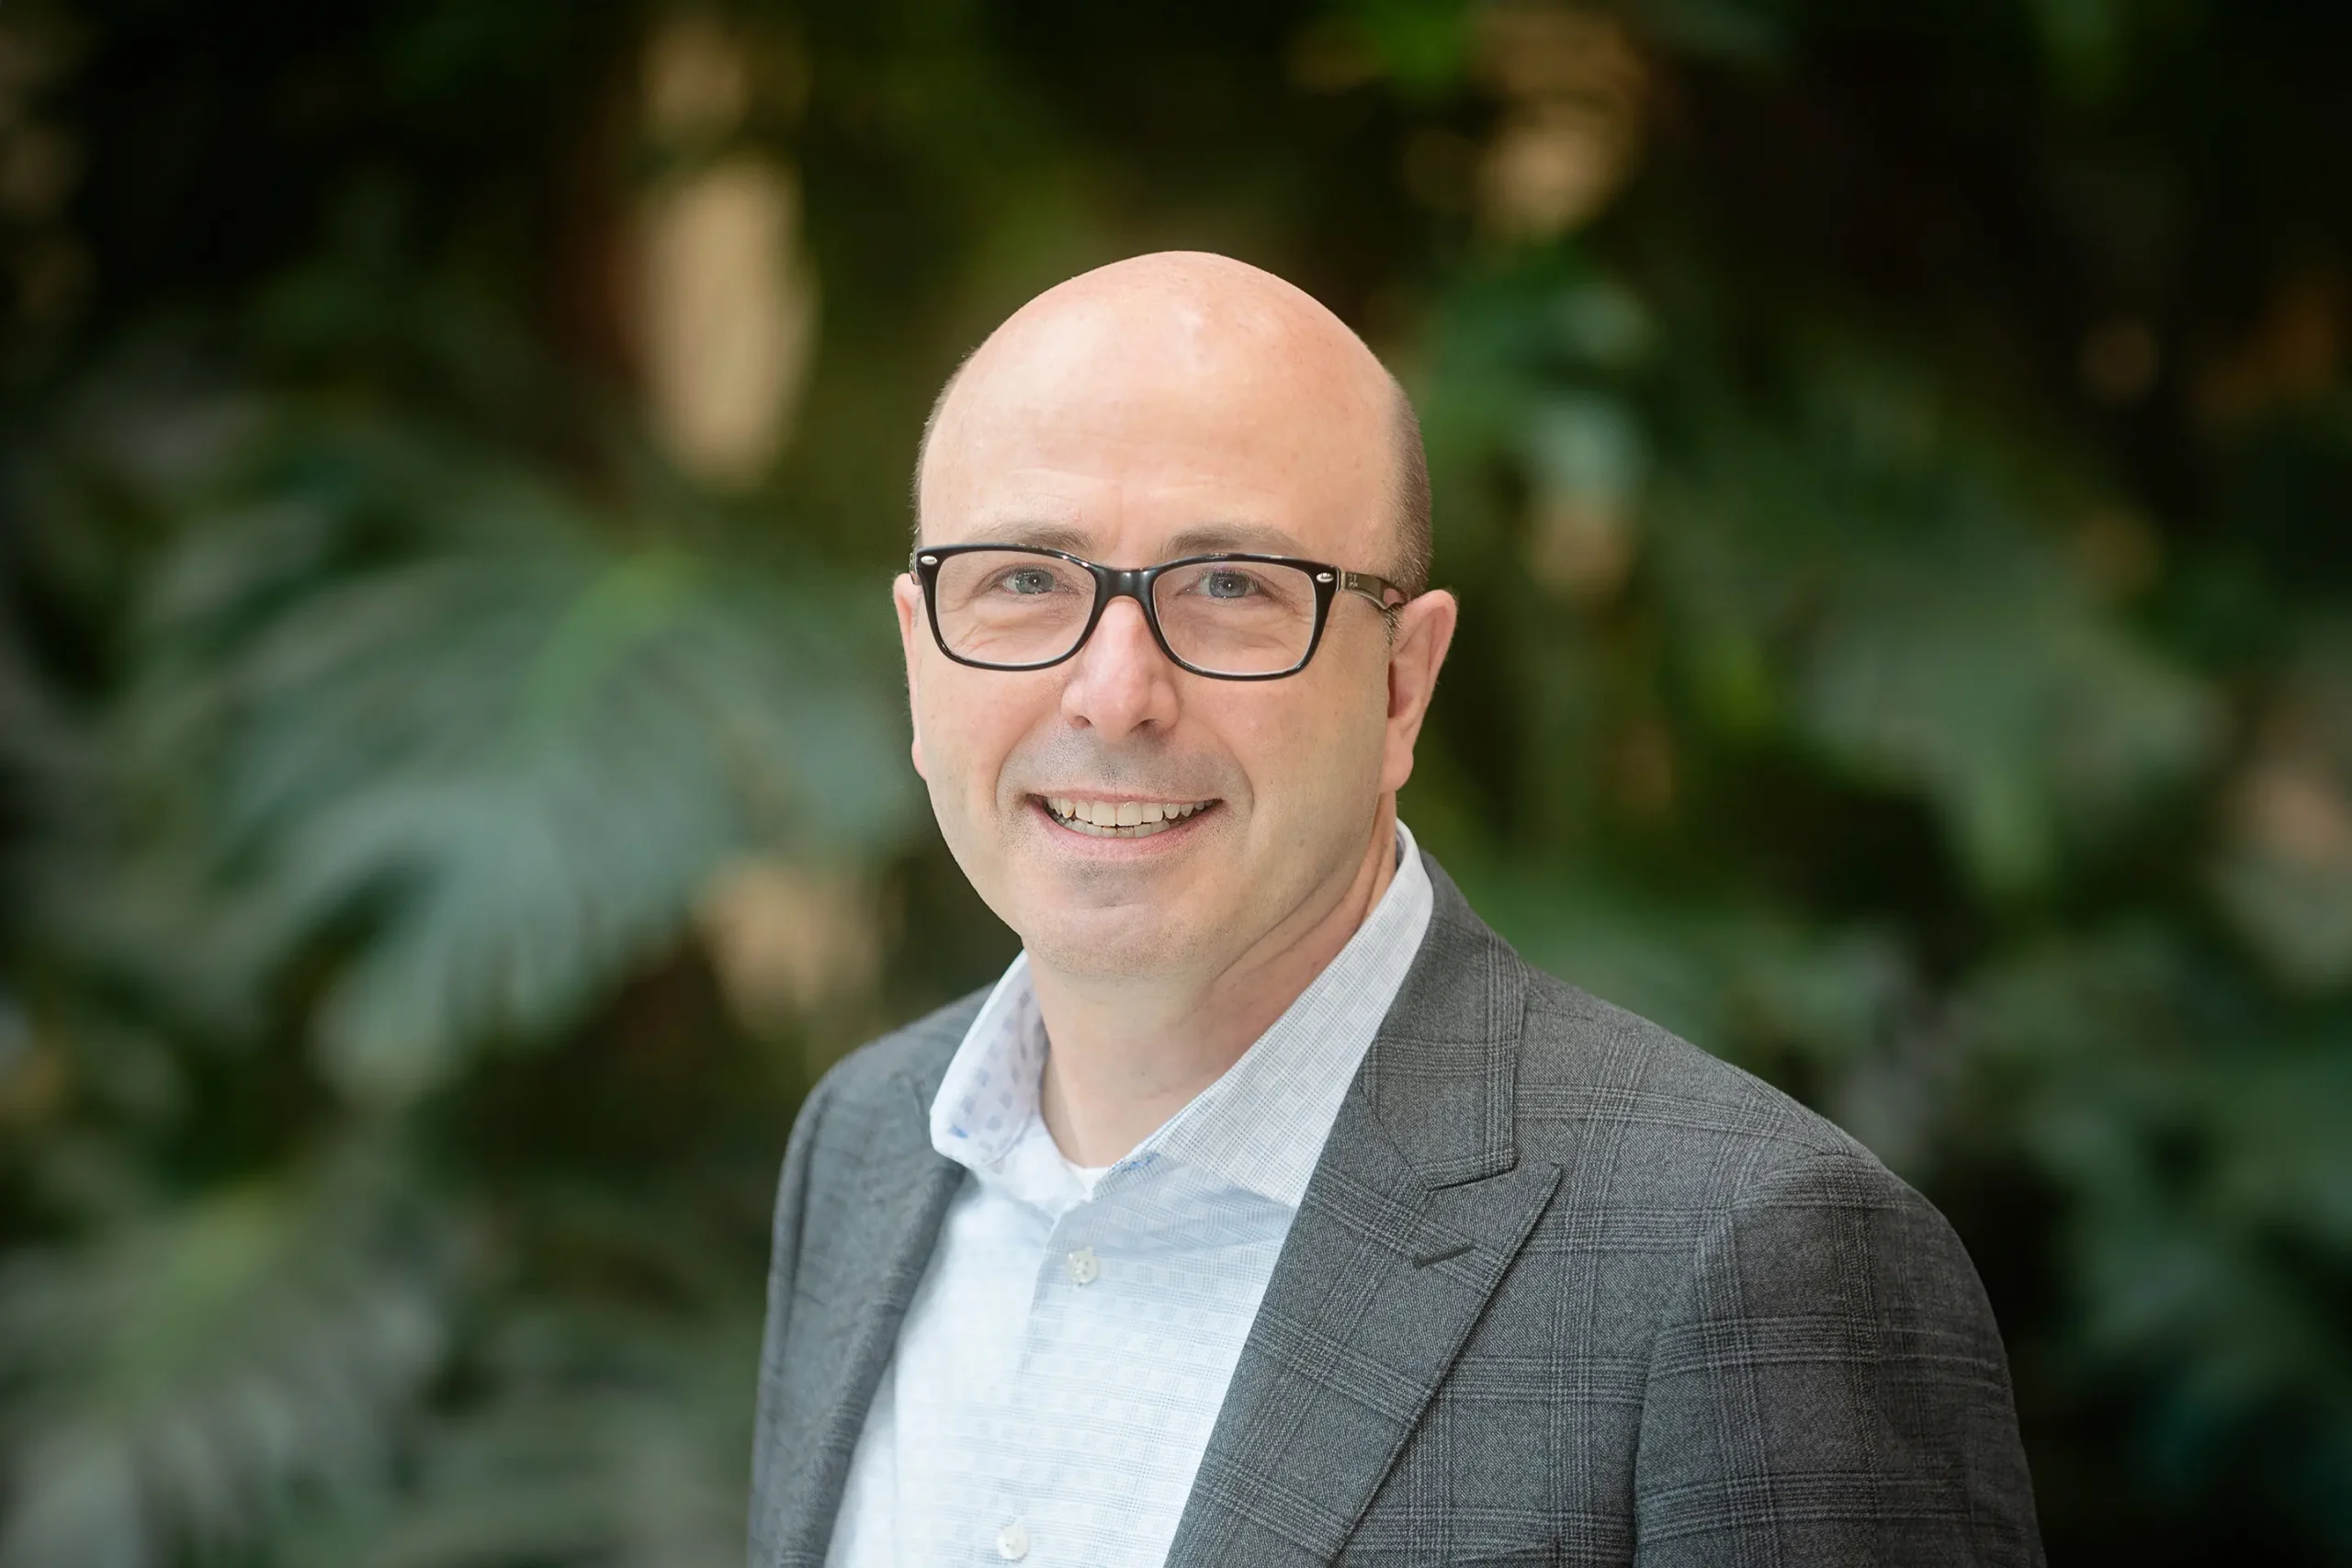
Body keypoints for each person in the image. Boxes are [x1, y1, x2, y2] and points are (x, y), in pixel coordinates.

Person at [749, 252, 2042, 1568]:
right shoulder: (861, 1149)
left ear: (1402, 685)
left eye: (1233, 586)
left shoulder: (1746, 1258)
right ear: (921, 654)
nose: (1112, 694)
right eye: (1024, 580)